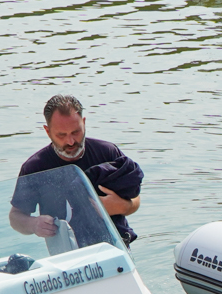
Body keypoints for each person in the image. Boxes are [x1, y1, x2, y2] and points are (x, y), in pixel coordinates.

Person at [9, 94, 144, 246]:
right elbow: (15, 216)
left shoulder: (108, 153)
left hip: (115, 248)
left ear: (84, 123)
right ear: (47, 131)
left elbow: (135, 198)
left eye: (76, 132)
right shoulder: (34, 168)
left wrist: (123, 206)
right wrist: (32, 224)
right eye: (61, 135)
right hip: (66, 254)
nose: (70, 141)